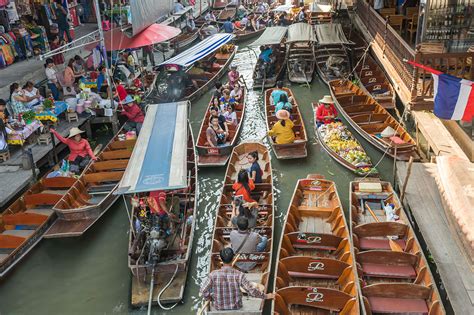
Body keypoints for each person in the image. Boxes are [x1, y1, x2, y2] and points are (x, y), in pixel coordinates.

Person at [200, 247, 274, 311]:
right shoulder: (239, 275)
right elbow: (251, 291)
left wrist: (209, 297)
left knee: (212, 290)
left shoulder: (213, 275)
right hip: (236, 307)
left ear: (221, 259)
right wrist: (266, 296)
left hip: (218, 307)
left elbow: (203, 290)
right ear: (233, 259)